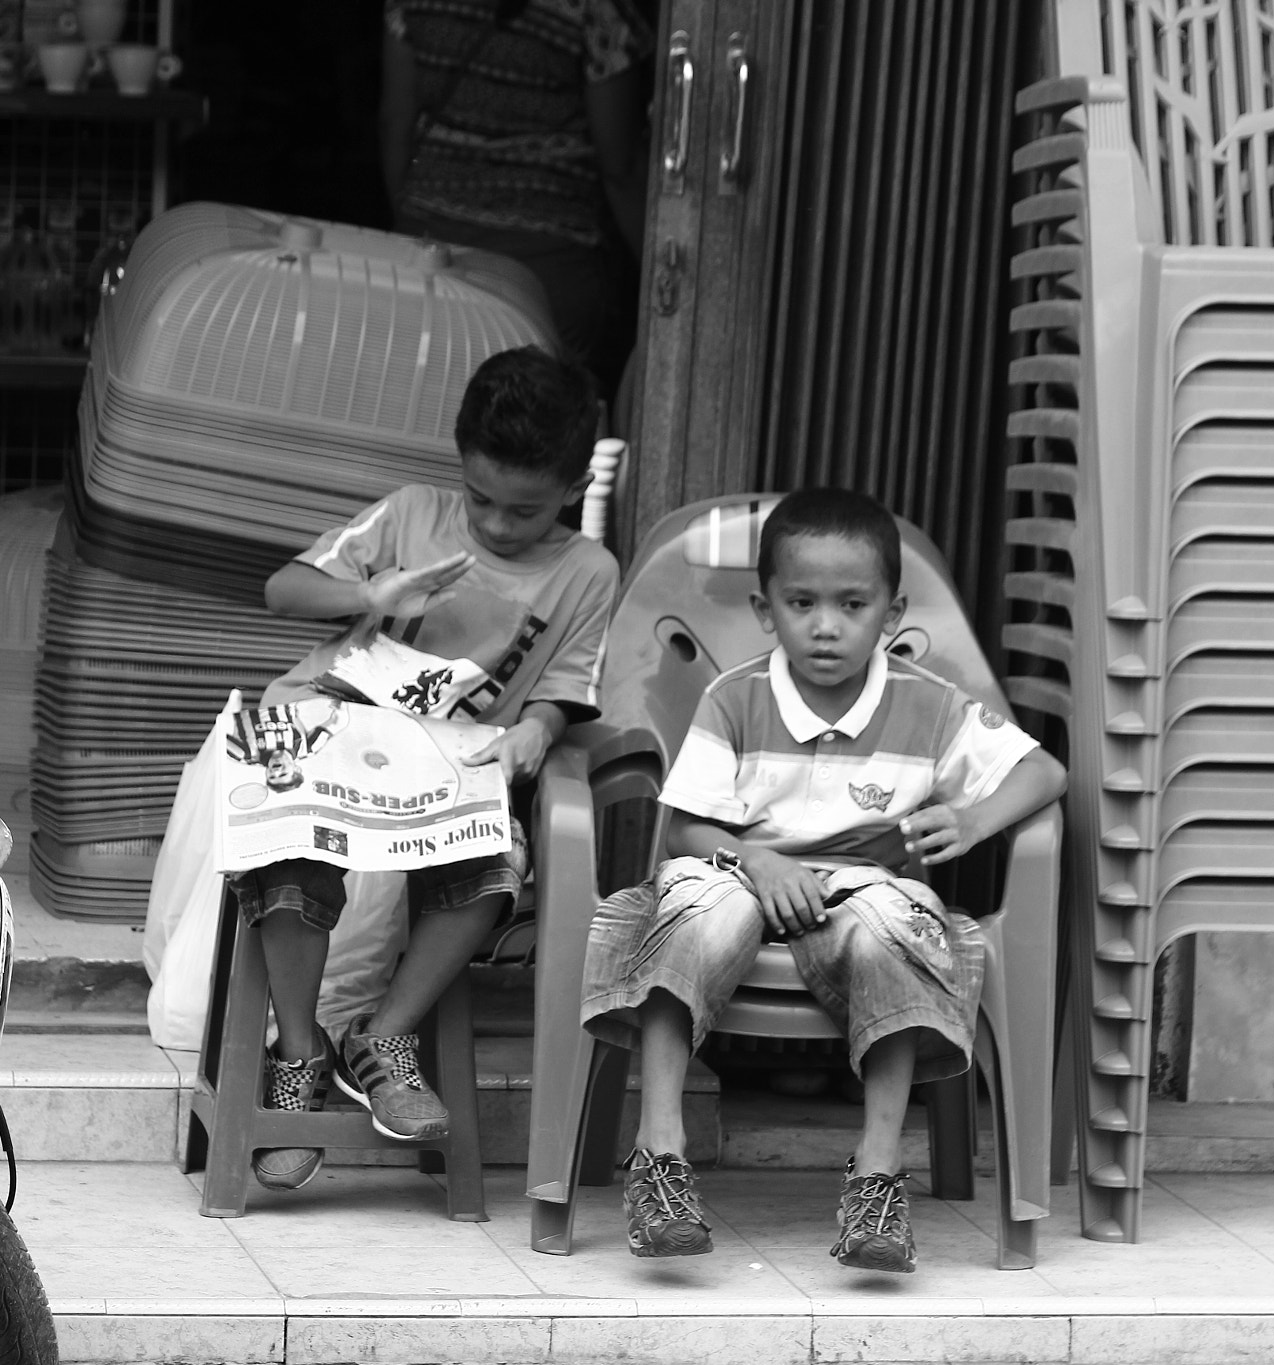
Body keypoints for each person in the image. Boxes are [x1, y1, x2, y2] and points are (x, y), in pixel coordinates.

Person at [580, 488, 1068, 1271]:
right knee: (689, 908)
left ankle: (878, 1176)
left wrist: (974, 820)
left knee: (897, 929)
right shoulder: (734, 697)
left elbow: (1043, 773)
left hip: (862, 892)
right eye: (801, 603)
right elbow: (685, 828)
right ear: (765, 609)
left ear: (892, 611)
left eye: (852, 604)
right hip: (743, 875)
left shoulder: (929, 705)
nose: (826, 625)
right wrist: (757, 859)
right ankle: (660, 1152)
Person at [245, 344, 620, 1193]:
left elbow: (564, 687)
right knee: (290, 846)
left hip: (446, 769)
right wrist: (368, 597)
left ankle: (384, 1034)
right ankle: (298, 1053)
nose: (496, 525)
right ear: (460, 464)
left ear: (574, 488)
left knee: (495, 862)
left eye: (524, 510)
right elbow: (281, 590)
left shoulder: (588, 572)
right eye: (480, 498)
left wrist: (537, 731)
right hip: (329, 730)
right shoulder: (412, 514)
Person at [378, 0, 652, 392]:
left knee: (421, 403)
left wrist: (412, 223)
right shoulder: (598, 9)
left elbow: (396, 121)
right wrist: (663, 277)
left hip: (430, 256)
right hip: (545, 276)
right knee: (531, 420)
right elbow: (621, 167)